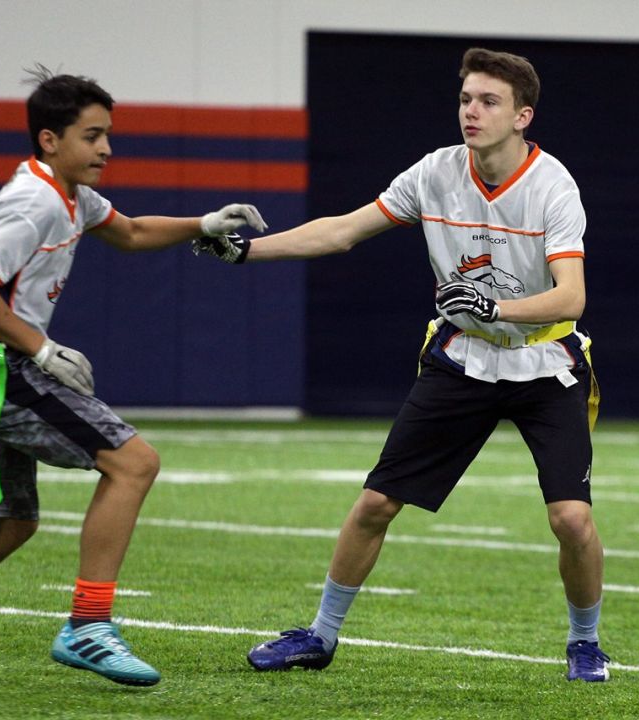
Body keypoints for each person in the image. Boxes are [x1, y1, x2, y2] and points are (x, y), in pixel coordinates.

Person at [194, 47, 611, 682]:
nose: (472, 111)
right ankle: (320, 635)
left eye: (489, 101)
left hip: (545, 362)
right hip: (462, 360)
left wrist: (495, 306)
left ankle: (585, 642)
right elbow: (341, 231)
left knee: (571, 519)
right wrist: (247, 252)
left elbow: (572, 297)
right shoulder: (436, 172)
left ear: (523, 116)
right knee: (375, 504)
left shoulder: (553, 185)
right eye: (467, 98)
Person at [0, 67, 266, 688]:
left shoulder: (65, 192)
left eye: (107, 134)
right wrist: (41, 350)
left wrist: (201, 225)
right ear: (50, 139)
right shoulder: (37, 200)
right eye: (92, 135)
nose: (106, 148)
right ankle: (88, 626)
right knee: (134, 462)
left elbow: (128, 232)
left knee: (7, 524)